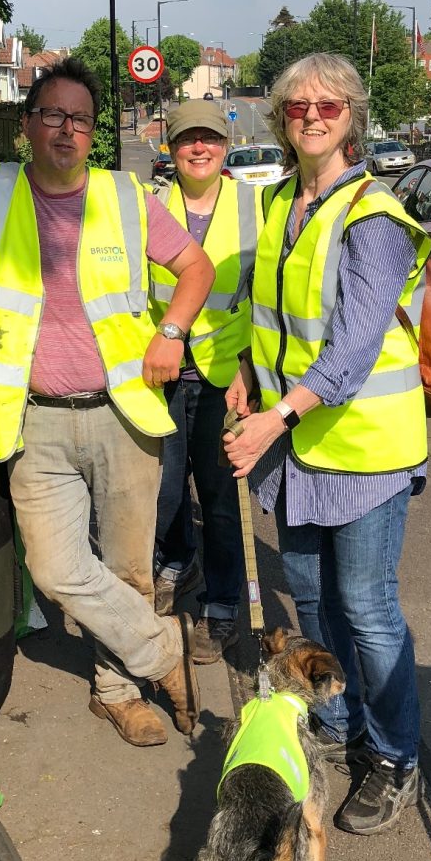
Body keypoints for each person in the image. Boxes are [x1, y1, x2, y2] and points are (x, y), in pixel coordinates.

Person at [0, 58, 216, 748]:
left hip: (125, 413)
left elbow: (195, 267)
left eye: (81, 119)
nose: (67, 129)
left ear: (94, 132)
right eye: (53, 115)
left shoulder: (125, 197)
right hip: (35, 416)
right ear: (28, 124)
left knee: (125, 567)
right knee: (56, 569)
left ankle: (117, 690)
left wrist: (173, 331)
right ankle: (163, 651)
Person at [224, 53, 431, 836]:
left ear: (353, 115)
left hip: (362, 444)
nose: (312, 115)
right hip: (297, 446)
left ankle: (395, 755)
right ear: (280, 118)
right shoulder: (281, 202)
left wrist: (274, 418)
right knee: (310, 596)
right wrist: (248, 371)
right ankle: (338, 723)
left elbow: (349, 349)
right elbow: (268, 308)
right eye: (297, 105)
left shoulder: (372, 214)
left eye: (328, 105)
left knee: (368, 609)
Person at [149, 100, 263, 663]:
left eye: (211, 139)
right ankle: (175, 561)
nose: (200, 148)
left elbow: (265, 296)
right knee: (165, 491)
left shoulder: (254, 205)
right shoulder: (148, 206)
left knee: (220, 497)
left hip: (226, 375)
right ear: (171, 148)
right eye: (189, 139)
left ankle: (221, 608)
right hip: (161, 375)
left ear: (225, 146)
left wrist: (249, 363)